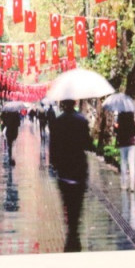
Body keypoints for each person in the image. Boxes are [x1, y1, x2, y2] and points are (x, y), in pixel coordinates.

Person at [49, 99, 89, 252]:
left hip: (64, 171)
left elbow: (53, 147)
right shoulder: (82, 121)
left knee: (67, 203)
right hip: (79, 170)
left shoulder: (58, 122)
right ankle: (74, 231)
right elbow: (88, 144)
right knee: (77, 205)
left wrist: (54, 164)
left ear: (64, 104)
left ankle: (71, 232)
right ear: (74, 103)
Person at [115, 109, 135, 191]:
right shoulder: (132, 123)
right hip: (131, 144)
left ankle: (124, 184)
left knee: (124, 164)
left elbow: (117, 132)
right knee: (132, 164)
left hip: (123, 144)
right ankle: (132, 186)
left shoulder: (121, 120)